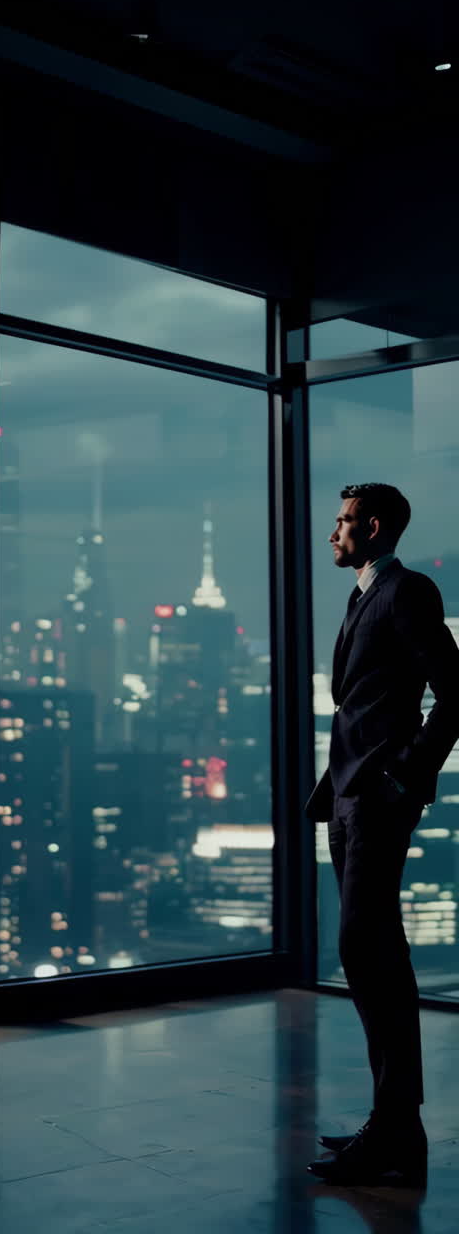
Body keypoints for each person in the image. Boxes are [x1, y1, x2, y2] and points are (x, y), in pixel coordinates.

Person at [304, 482, 459, 1187]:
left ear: (370, 527)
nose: (332, 532)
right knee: (370, 954)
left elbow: (456, 693)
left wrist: (406, 775)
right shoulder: (365, 594)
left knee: (368, 954)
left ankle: (394, 1128)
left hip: (376, 797)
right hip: (348, 798)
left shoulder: (407, 592)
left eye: (341, 522)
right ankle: (398, 1130)